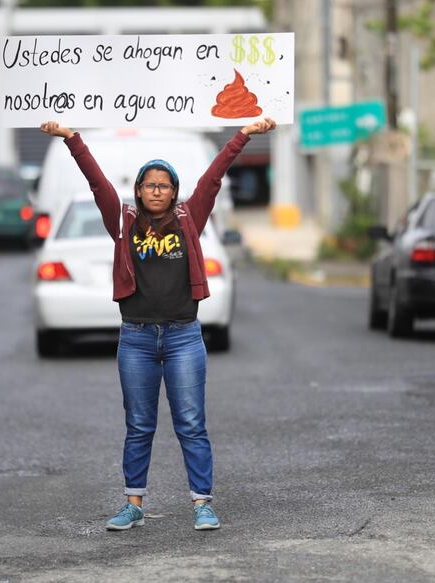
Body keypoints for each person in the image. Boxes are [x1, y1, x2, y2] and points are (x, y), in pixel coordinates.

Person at [40, 117, 276, 531]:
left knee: (191, 423)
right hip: (136, 338)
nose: (156, 190)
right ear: (138, 190)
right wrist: (72, 138)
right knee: (138, 424)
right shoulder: (123, 221)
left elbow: (213, 177)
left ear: (174, 192)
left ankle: (202, 503)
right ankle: (133, 504)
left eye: (164, 185)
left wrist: (244, 136)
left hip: (184, 335)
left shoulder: (190, 218)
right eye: (149, 184)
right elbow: (96, 183)